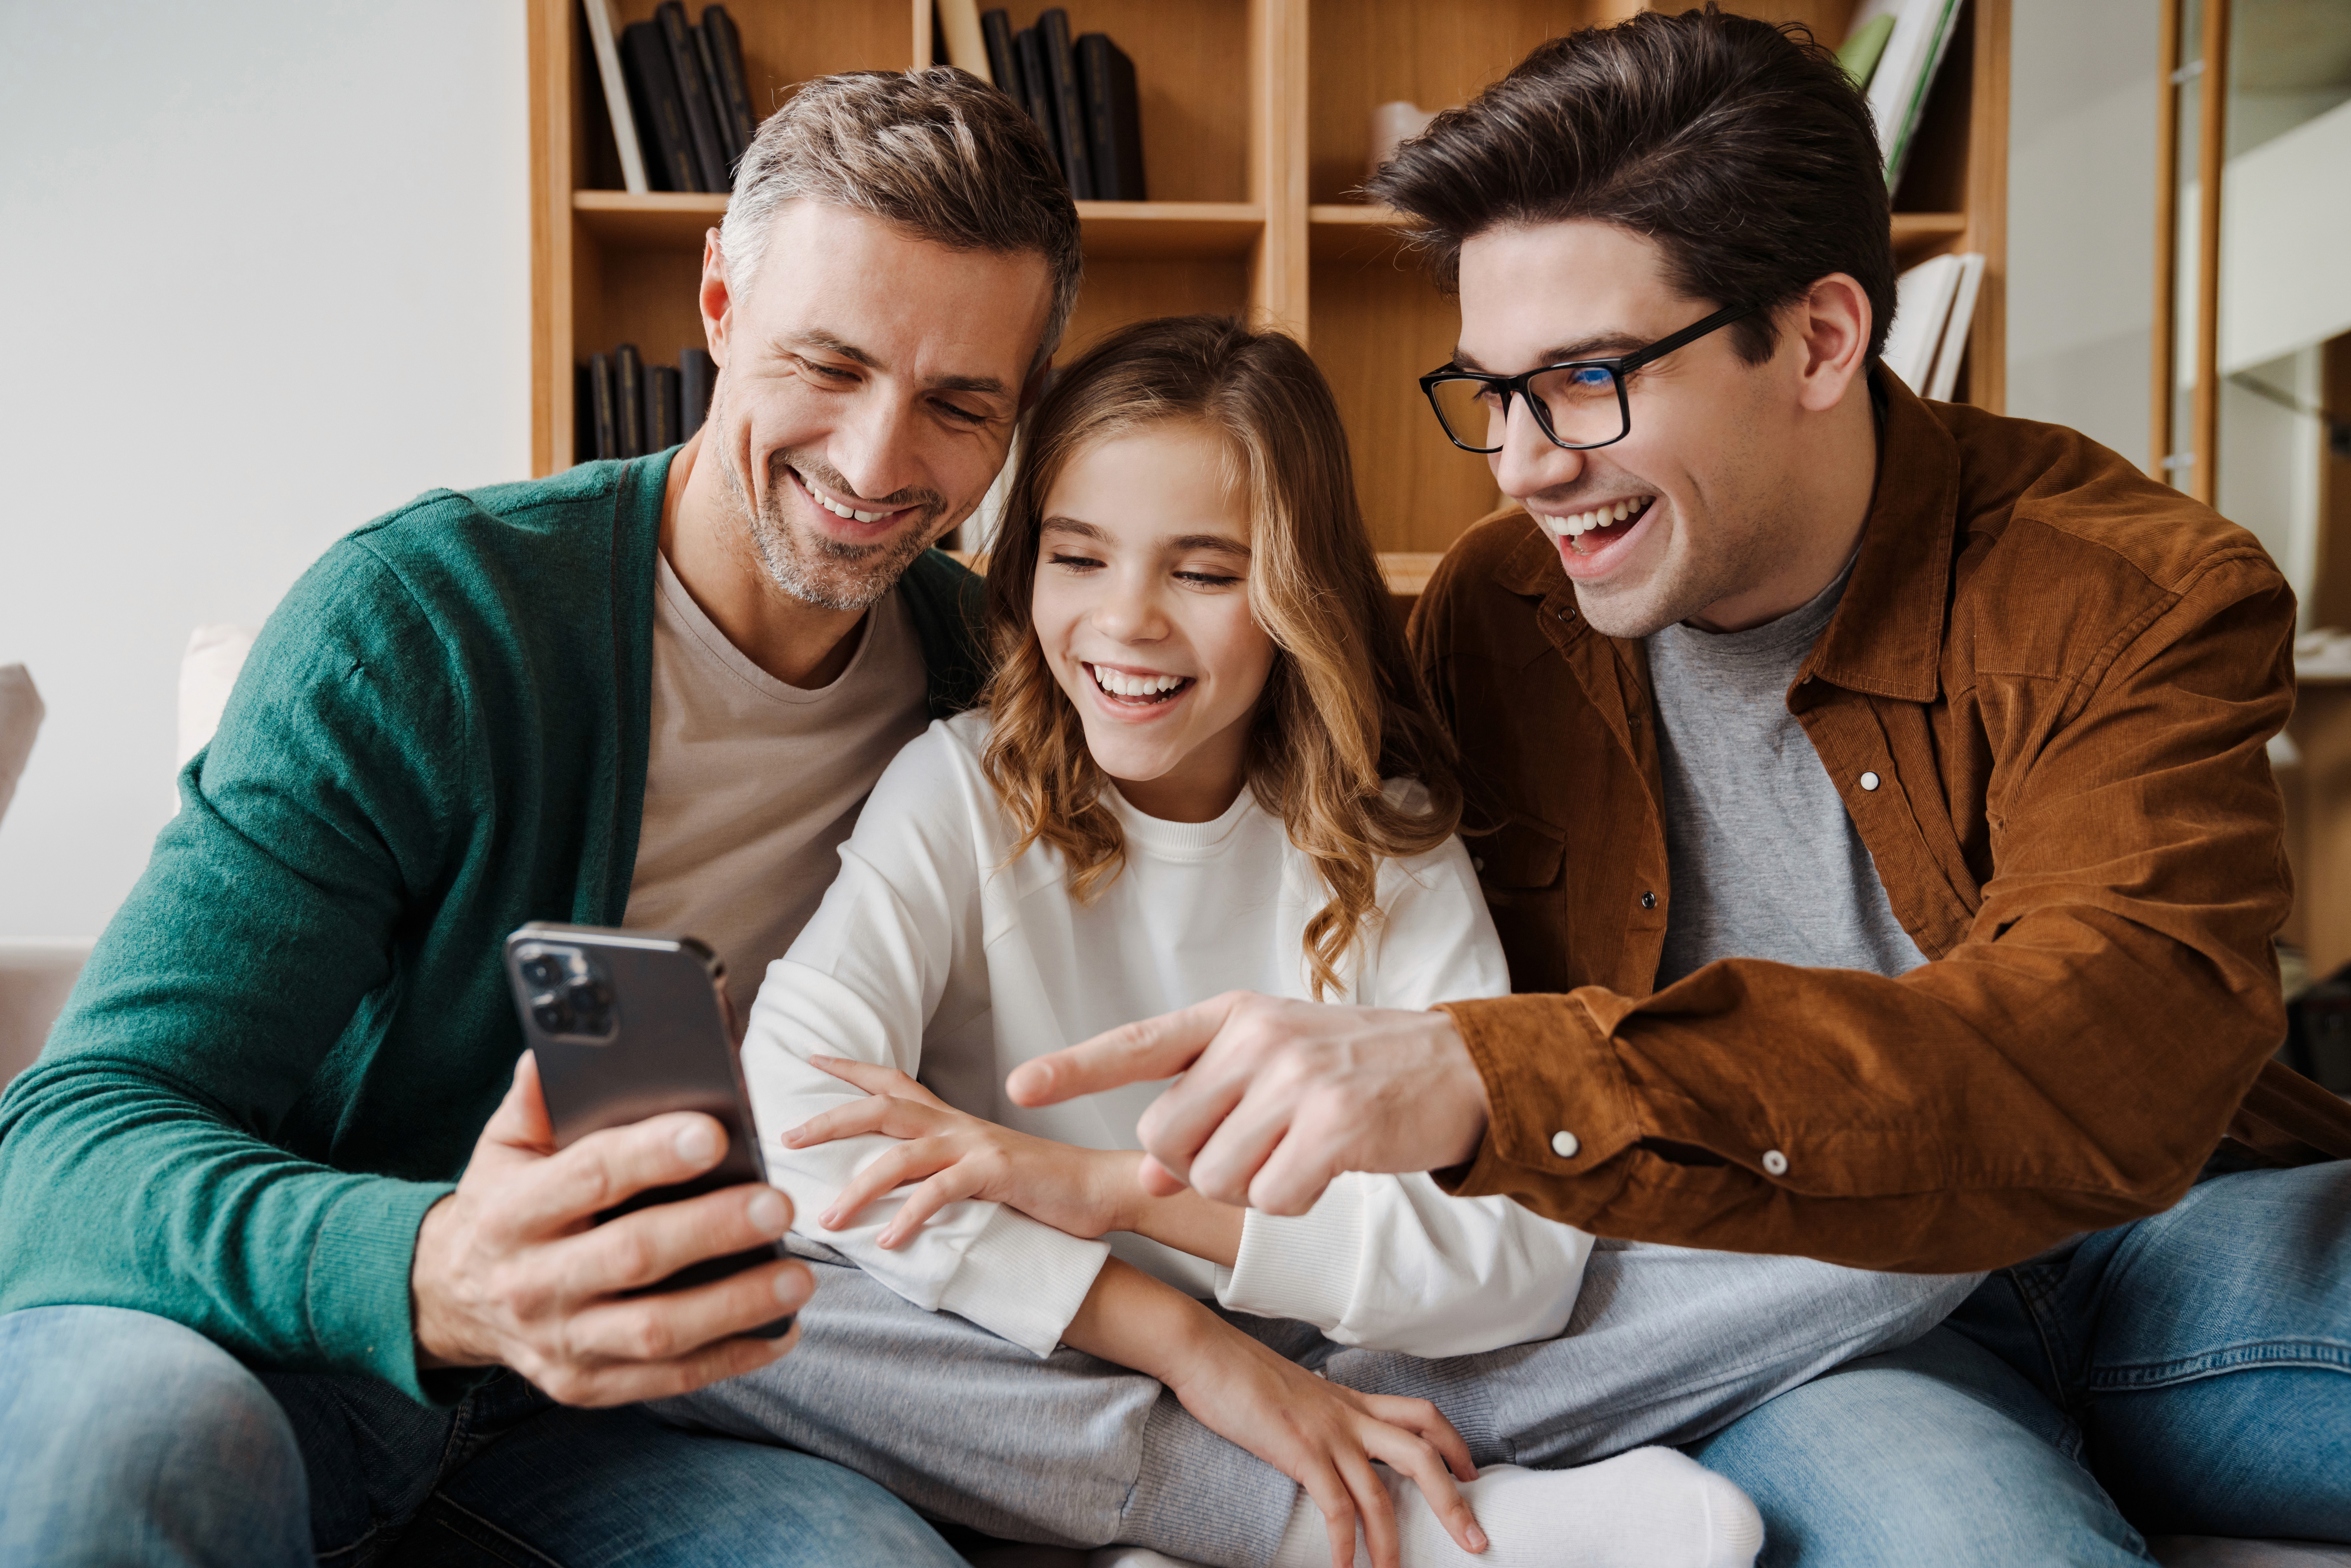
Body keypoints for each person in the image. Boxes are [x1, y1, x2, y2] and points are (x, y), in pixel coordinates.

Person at [1006, 11, 2351, 1564]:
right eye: (1492, 392)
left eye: (1584, 379)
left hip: (2163, 1234)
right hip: (1789, 1321)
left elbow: (2115, 1037)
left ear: (1824, 339)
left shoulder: (2132, 590)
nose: (1519, 463)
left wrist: (1507, 1075)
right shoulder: (1499, 609)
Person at [655, 315, 1976, 1568]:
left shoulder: (1381, 840)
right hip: (1031, 1334)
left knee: (1873, 1232)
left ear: (1293, 594)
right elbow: (810, 1115)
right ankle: (1308, 1519)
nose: (1125, 622)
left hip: (1349, 1338)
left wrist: (1141, 1207)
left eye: (1206, 571)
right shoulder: (960, 788)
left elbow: (1511, 1269)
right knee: (723, 1295)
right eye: (1077, 555)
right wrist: (1186, 1345)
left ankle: (1220, 1489)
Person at [0, 69, 1080, 1568]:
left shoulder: (994, 685)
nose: (876, 464)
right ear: (717, 301)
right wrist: (434, 1267)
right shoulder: (426, 623)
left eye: (959, 405)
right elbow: (56, 1148)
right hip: (276, 1357)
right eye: (825, 366)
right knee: (144, 1440)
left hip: (625, 1428)